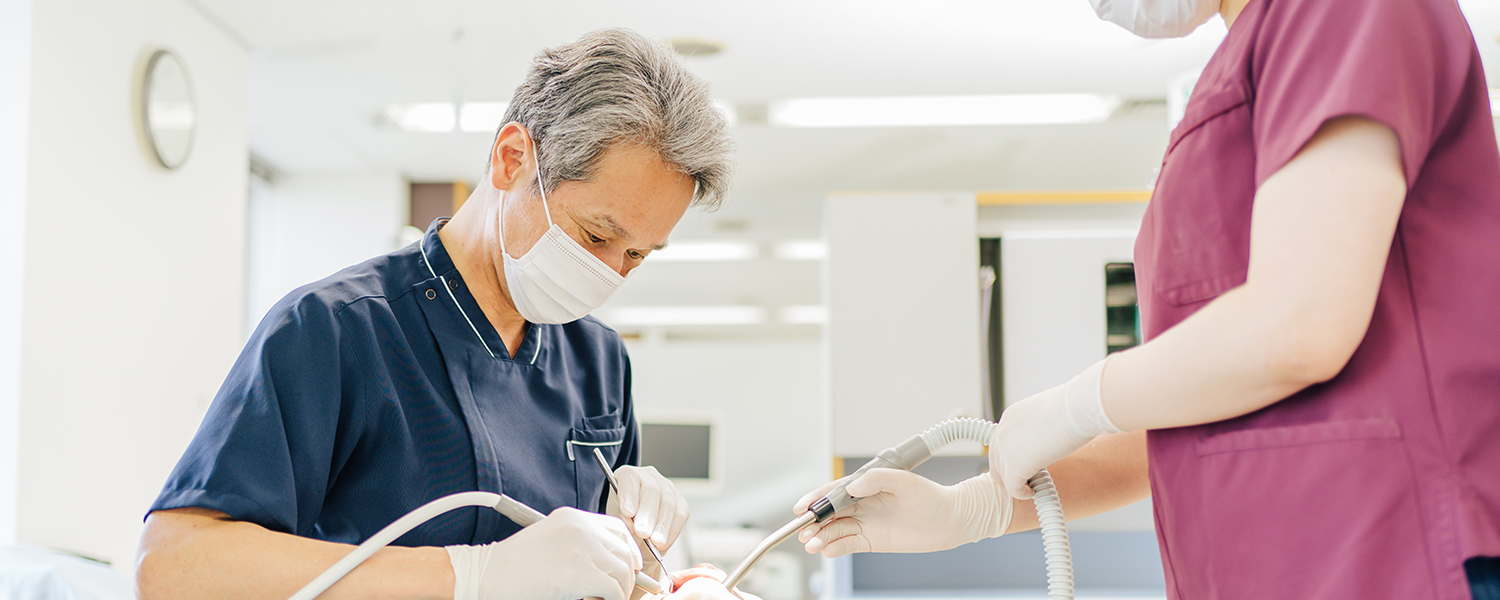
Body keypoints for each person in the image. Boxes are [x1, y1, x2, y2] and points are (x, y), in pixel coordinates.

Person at [794, 0, 1500, 598]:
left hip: (1392, 553)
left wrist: (1078, 401)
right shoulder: (1242, 73)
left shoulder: (1340, 13)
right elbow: (1202, 407)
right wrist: (973, 509)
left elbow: (1298, 327)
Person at [136, 28, 749, 600]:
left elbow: (592, 576)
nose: (610, 273)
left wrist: (658, 582)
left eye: (637, 255)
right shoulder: (337, 331)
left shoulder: (599, 362)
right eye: (594, 237)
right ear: (512, 160)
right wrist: (469, 574)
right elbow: (175, 564)